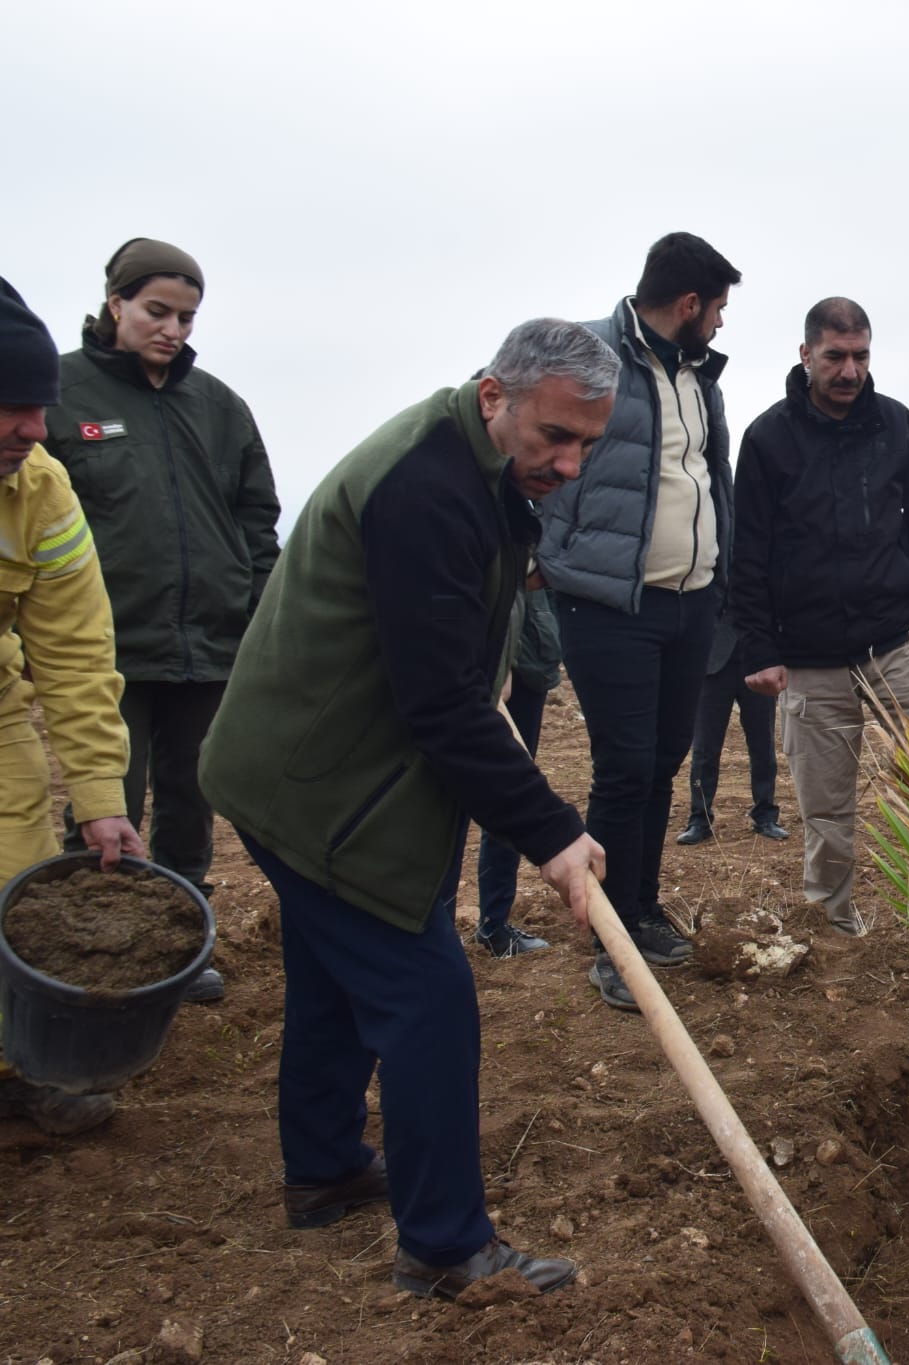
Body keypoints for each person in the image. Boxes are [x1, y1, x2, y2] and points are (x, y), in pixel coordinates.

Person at [199, 318, 614, 1299]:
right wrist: (551, 833)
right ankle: (443, 1246)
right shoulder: (424, 490)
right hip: (314, 783)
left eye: (587, 444)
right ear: (492, 397)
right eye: (554, 436)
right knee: (426, 995)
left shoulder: (484, 474)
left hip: (328, 766)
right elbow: (439, 707)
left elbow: (450, 677)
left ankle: (325, 1167)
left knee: (336, 972)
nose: (569, 462)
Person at [42, 239, 280, 1004]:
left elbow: (257, 522)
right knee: (107, 801)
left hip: (207, 646)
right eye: (156, 311)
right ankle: (96, 952)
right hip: (104, 649)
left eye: (186, 316)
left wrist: (252, 616)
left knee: (190, 799)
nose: (172, 329)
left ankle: (178, 944)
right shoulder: (59, 394)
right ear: (115, 303)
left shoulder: (218, 405)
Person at [535, 233, 741, 1011]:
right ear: (688, 305)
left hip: (691, 602)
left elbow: (706, 477)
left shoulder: (701, 379)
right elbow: (520, 443)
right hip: (610, 603)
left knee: (662, 760)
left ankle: (642, 910)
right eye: (717, 309)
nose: (721, 324)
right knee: (624, 768)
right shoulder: (585, 355)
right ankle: (611, 945)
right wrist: (548, 547)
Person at [731, 298, 909, 937]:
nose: (850, 370)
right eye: (835, 356)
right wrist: (757, 647)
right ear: (805, 354)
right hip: (809, 653)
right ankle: (833, 919)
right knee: (826, 806)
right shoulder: (767, 438)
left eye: (861, 355)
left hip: (899, 638)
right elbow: (745, 552)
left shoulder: (896, 424)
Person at [0, 279, 145, 1137]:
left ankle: (14, 1070)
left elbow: (78, 649)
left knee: (14, 889)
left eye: (40, 407)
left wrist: (99, 796)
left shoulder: (41, 490)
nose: (36, 429)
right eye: (12, 408)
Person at [434, 585, 563, 958]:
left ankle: (494, 924)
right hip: (473, 663)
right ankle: (437, 928)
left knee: (507, 789)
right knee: (448, 797)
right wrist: (497, 659)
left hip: (530, 662)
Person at [676, 606, 786, 846]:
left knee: (762, 744)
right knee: (704, 748)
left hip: (758, 660)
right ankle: (699, 820)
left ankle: (766, 815)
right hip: (712, 661)